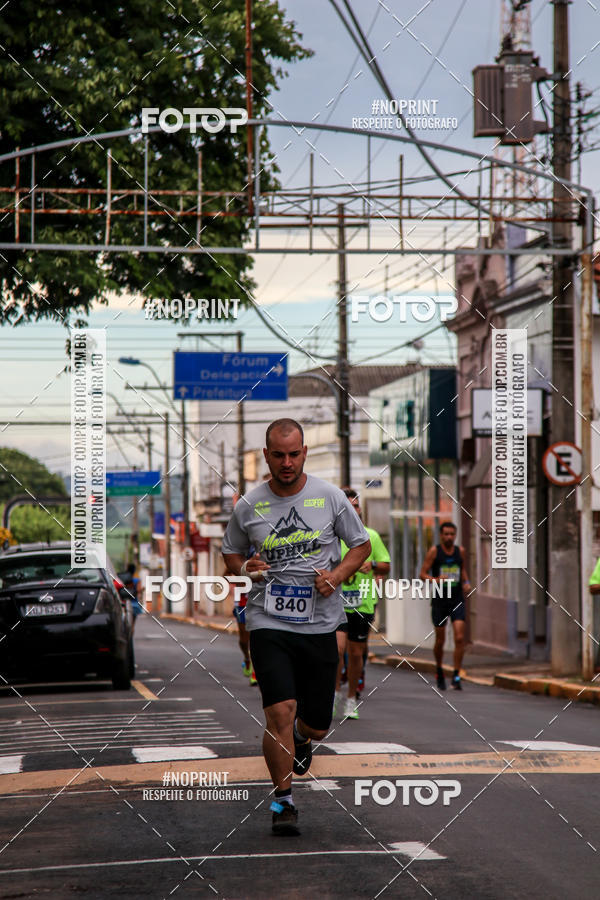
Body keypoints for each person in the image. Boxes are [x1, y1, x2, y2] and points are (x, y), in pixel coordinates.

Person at [222, 418, 371, 836]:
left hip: (321, 624)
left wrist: (337, 575)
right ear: (266, 455)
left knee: (317, 723)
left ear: (304, 453)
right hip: (268, 620)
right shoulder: (249, 505)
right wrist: (246, 568)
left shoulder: (328, 498)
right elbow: (231, 555)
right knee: (280, 712)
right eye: (278, 455)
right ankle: (282, 801)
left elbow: (360, 546)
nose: (286, 463)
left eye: (293, 454)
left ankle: (304, 740)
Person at [335, 489, 390, 719]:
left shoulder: (371, 536)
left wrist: (373, 565)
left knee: (357, 654)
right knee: (337, 650)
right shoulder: (333, 537)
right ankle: (334, 693)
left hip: (362, 602)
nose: (353, 509)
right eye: (348, 505)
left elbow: (386, 566)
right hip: (336, 602)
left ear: (359, 510)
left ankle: (350, 698)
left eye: (356, 506)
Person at [419, 521, 470, 691]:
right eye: (446, 534)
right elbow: (422, 574)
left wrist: (466, 582)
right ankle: (439, 670)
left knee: (460, 637)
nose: (449, 537)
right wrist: (435, 580)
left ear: (455, 535)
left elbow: (462, 570)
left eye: (452, 534)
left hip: (456, 599)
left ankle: (456, 674)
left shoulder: (459, 551)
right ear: (441, 535)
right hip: (440, 599)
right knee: (440, 640)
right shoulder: (435, 552)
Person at [119, 562, 143, 633]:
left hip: (124, 602)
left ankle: (126, 631)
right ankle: (131, 631)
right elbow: (138, 590)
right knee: (132, 622)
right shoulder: (137, 580)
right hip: (134, 603)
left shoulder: (122, 578)